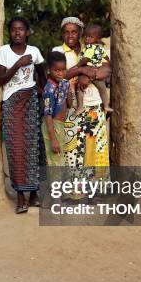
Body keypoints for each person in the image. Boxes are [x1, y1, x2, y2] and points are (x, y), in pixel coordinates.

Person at [53, 17, 112, 194]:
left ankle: (96, 191)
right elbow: (58, 76)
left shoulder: (91, 48)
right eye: (66, 32)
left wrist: (90, 75)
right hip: (71, 108)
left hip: (94, 106)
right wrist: (80, 70)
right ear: (62, 34)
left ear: (80, 33)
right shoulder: (57, 51)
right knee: (74, 152)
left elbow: (107, 69)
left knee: (95, 150)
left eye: (74, 31)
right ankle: (77, 192)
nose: (70, 35)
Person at [0, 16, 46, 214]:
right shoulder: (4, 52)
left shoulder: (34, 52)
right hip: (12, 103)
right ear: (10, 32)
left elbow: (41, 71)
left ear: (27, 32)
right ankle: (20, 197)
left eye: (21, 29)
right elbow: (1, 79)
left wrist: (41, 88)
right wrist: (18, 64)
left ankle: (33, 195)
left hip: (31, 102)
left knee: (33, 147)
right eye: (14, 29)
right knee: (16, 149)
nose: (17, 32)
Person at [41, 51, 72, 167]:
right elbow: (47, 115)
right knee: (55, 163)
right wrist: (53, 139)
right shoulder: (49, 89)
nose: (60, 73)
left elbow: (69, 104)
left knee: (61, 161)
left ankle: (60, 185)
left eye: (63, 70)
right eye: (57, 70)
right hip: (52, 126)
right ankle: (55, 185)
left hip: (61, 125)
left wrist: (68, 90)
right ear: (49, 70)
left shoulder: (64, 83)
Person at [75, 23, 113, 115]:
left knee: (79, 88)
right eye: (86, 36)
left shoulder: (89, 48)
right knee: (103, 89)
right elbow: (106, 57)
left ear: (97, 38)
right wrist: (109, 63)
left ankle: (80, 107)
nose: (87, 39)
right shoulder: (100, 48)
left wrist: (78, 66)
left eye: (90, 37)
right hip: (97, 72)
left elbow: (85, 59)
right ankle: (106, 105)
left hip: (87, 72)